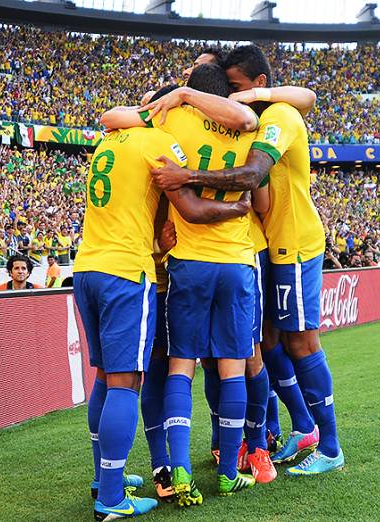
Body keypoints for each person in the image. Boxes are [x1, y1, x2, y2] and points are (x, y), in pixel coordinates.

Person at [152, 44, 343, 475]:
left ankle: (328, 444)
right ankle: (292, 430)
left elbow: (257, 182)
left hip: (289, 244)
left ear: (258, 86)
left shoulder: (275, 117)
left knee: (298, 342)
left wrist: (188, 176)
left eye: (236, 89)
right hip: (258, 247)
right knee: (266, 345)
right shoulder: (237, 120)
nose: (230, 98)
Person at [74, 84, 252, 520]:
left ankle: (105, 476)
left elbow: (111, 119)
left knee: (102, 377)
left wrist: (157, 236)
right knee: (124, 383)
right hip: (126, 274)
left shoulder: (110, 139)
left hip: (87, 267)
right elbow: (190, 207)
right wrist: (237, 209)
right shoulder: (159, 142)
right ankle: (111, 500)